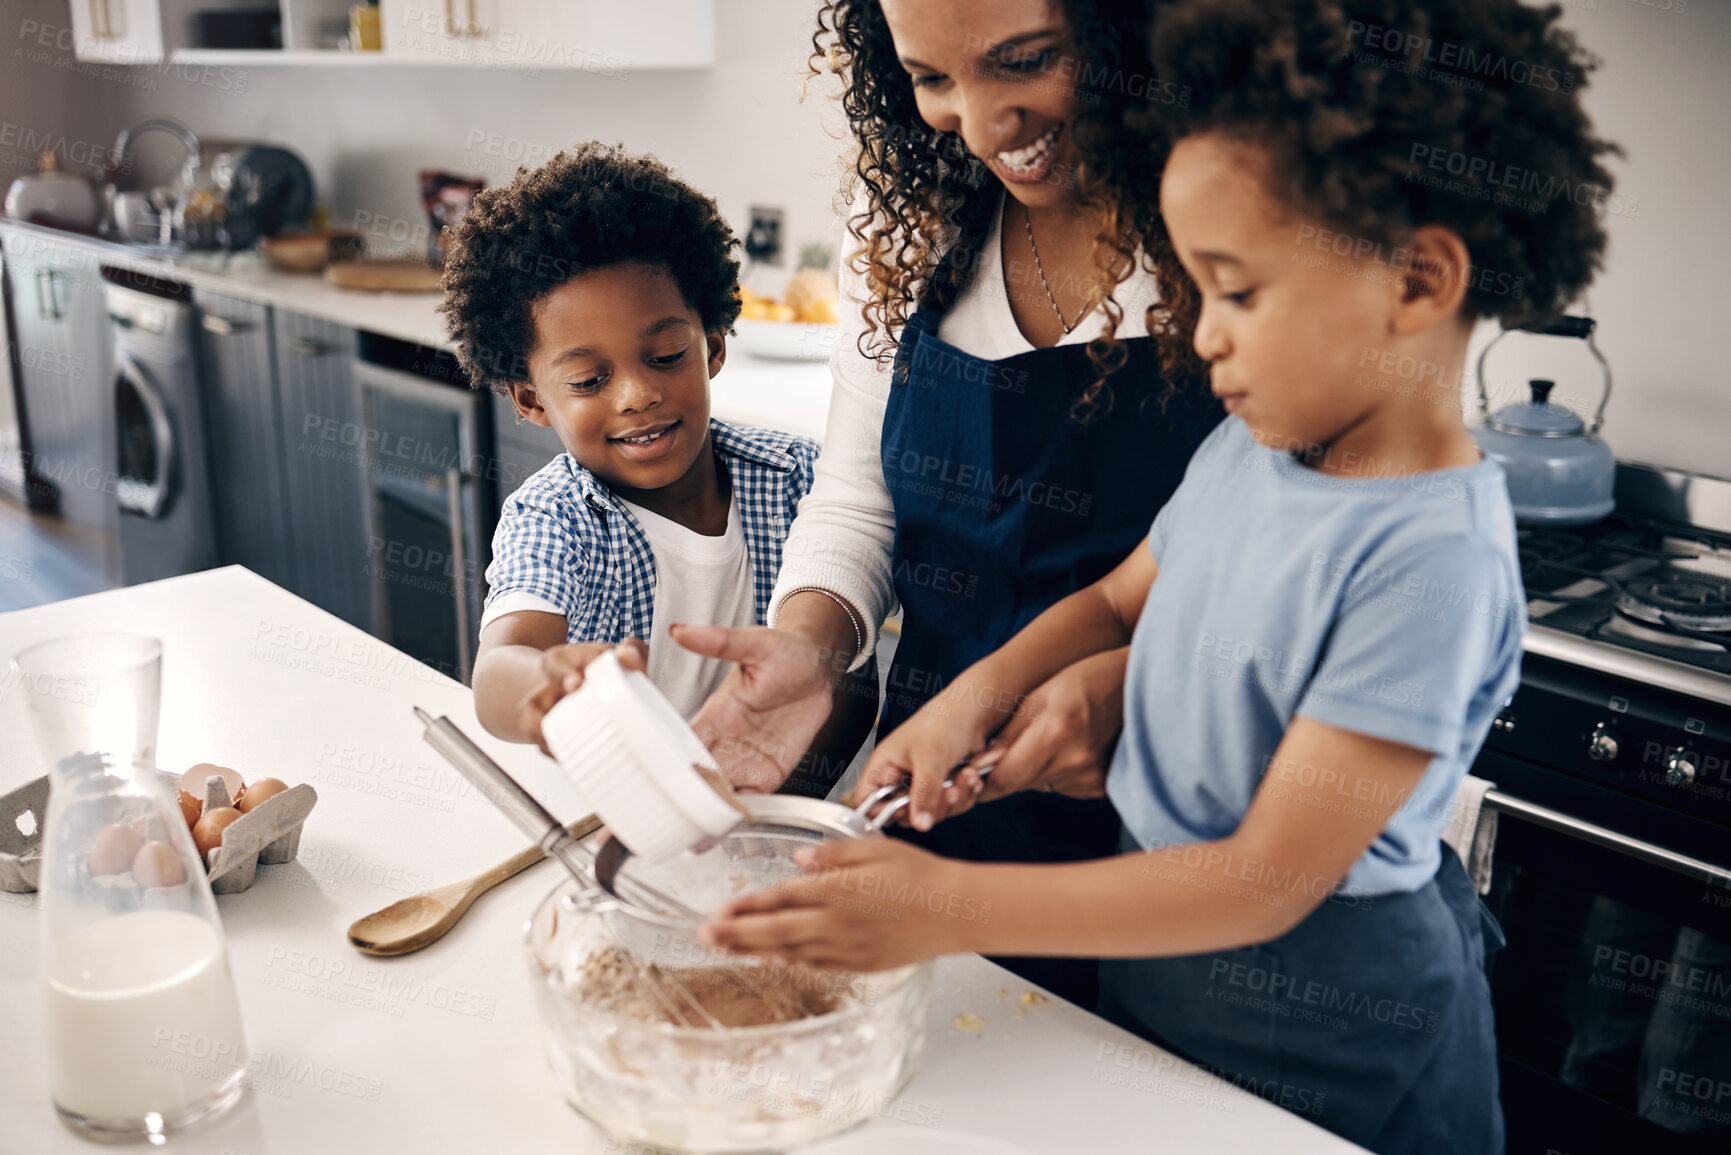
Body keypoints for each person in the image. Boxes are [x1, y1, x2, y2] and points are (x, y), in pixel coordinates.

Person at [701, 1, 1621, 1150]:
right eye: (1196, 286)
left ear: (1420, 284)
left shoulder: (1432, 563)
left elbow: (1261, 883)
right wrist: (963, 706)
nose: (1206, 334)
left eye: (1234, 291)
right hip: (1157, 992)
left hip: (1332, 1053)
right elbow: (1117, 598)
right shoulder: (1254, 449)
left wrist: (941, 908)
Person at [668, 0, 1224, 1008]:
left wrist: (1140, 685)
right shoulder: (907, 216)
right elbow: (856, 499)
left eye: (1026, 61)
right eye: (931, 78)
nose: (980, 121)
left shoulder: (1245, 233)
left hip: (1193, 829)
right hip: (942, 791)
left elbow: (1290, 564)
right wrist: (811, 646)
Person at [440, 143, 873, 791]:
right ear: (531, 399)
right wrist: (547, 681)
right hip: (609, 817)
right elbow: (499, 671)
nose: (636, 394)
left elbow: (848, 674)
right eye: (589, 378)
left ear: (714, 345)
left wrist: (780, 795)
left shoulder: (795, 480)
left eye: (666, 354)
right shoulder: (557, 518)